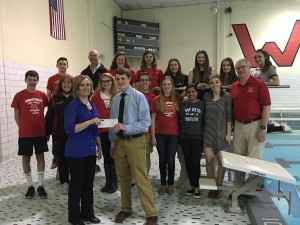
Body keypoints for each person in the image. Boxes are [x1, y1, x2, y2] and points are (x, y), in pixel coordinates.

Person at [109, 68, 158, 225]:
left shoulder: (139, 97)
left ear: (129, 79)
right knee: (122, 178)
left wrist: (127, 128)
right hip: (119, 143)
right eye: (117, 79)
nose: (120, 82)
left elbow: (146, 123)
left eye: (123, 78)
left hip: (135, 141)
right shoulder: (115, 99)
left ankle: (151, 213)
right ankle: (125, 208)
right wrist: (112, 144)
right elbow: (112, 124)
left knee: (140, 177)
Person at [64, 75, 102, 225]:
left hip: (90, 150)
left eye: (88, 85)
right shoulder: (73, 105)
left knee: (88, 183)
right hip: (76, 151)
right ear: (77, 88)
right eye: (82, 85)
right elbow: (70, 129)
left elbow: (96, 128)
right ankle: (74, 217)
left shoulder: (92, 104)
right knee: (76, 184)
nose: (85, 87)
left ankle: (88, 213)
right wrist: (90, 121)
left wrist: (99, 146)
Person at [230, 59, 271, 188]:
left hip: (255, 124)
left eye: (243, 67)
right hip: (239, 125)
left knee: (254, 158)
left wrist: (263, 127)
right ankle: (238, 186)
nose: (241, 70)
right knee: (238, 156)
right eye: (238, 68)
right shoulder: (233, 87)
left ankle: (253, 187)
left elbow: (266, 106)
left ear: (249, 68)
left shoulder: (259, 84)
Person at [11, 70, 49, 199]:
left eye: (35, 79)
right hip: (25, 134)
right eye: (30, 79)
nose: (32, 82)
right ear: (25, 80)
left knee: (41, 158)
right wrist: (23, 128)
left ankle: (41, 185)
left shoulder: (42, 95)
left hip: (40, 133)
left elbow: (48, 111)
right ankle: (30, 186)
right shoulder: (19, 95)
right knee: (26, 159)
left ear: (38, 80)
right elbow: (16, 115)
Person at [203, 75, 232, 198]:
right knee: (209, 162)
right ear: (209, 85)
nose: (214, 85)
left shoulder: (227, 97)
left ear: (220, 83)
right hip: (208, 134)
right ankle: (211, 187)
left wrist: (228, 134)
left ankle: (218, 187)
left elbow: (229, 117)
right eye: (212, 83)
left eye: (216, 82)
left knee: (221, 162)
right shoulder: (206, 97)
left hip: (221, 134)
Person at [251, 49, 292, 133]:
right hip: (253, 98)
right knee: (255, 123)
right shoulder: (254, 70)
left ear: (265, 57)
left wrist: (262, 83)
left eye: (259, 57)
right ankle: (276, 126)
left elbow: (276, 82)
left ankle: (281, 127)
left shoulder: (270, 68)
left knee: (261, 123)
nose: (257, 59)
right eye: (255, 57)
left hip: (262, 97)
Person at [151, 76, 179, 195]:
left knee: (171, 160)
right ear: (161, 86)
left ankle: (170, 184)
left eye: (169, 84)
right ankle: (163, 184)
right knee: (162, 160)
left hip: (173, 135)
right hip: (160, 135)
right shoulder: (156, 100)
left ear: (172, 86)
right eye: (164, 85)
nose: (166, 87)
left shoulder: (177, 99)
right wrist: (153, 137)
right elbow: (152, 120)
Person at [45, 75, 74, 194]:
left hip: (74, 134)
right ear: (60, 84)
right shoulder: (54, 99)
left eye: (69, 83)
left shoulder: (76, 98)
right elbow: (49, 118)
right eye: (64, 83)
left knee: (73, 159)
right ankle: (64, 182)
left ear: (73, 85)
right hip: (59, 134)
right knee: (62, 159)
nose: (66, 85)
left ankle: (73, 180)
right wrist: (47, 133)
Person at [163, 58, 188, 188]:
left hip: (179, 127)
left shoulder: (184, 78)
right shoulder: (161, 98)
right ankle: (165, 179)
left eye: (175, 65)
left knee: (176, 154)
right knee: (166, 157)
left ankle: (183, 174)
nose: (173, 67)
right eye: (171, 65)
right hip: (166, 129)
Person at [91, 73, 118, 194]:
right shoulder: (95, 96)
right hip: (102, 131)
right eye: (103, 81)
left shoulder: (117, 95)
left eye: (108, 80)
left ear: (112, 81)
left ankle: (114, 182)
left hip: (115, 130)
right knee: (107, 157)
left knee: (114, 156)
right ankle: (108, 182)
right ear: (100, 83)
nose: (106, 83)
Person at [178, 84, 205, 198]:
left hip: (197, 138)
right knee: (188, 163)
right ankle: (192, 185)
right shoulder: (182, 105)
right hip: (185, 138)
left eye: (193, 92)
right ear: (186, 93)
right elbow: (179, 120)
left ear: (197, 93)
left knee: (195, 162)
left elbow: (204, 120)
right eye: (189, 92)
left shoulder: (202, 105)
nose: (191, 94)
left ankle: (197, 185)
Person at [46, 57, 69, 169]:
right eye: (60, 64)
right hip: (56, 106)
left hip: (67, 107)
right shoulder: (51, 79)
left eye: (64, 64)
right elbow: (48, 95)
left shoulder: (71, 78)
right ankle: (56, 157)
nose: (62, 66)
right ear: (57, 66)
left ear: (67, 66)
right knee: (57, 132)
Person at [137, 72, 156, 174]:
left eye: (146, 80)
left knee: (146, 155)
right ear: (139, 82)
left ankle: (145, 178)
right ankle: (134, 179)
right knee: (135, 156)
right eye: (142, 80)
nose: (144, 82)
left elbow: (153, 117)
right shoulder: (134, 95)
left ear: (150, 82)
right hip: (135, 131)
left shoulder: (153, 98)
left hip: (147, 131)